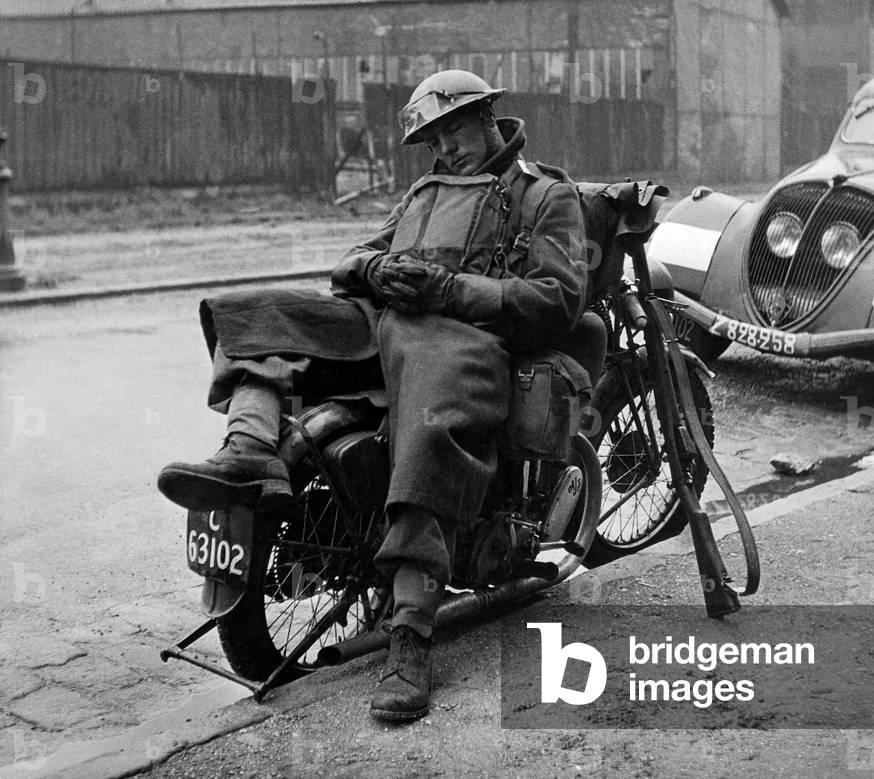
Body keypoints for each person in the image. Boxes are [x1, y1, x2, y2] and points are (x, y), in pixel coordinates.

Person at [157, 69, 589, 722]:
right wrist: (374, 268)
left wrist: (451, 291)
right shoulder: (424, 191)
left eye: (450, 133)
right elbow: (352, 259)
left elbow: (558, 301)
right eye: (431, 141)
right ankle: (248, 452)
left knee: (428, 423)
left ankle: (409, 637)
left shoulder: (541, 195)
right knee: (259, 312)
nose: (443, 150)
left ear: (486, 119)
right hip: (383, 322)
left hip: (464, 338)